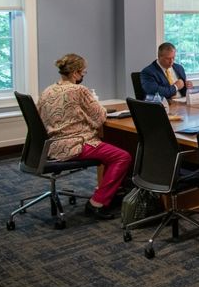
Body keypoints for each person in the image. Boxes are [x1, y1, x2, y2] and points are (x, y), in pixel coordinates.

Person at [37, 54, 132, 220]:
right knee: (122, 157)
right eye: (83, 73)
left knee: (113, 151)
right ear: (75, 73)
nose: (83, 77)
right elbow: (100, 117)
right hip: (75, 144)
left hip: (51, 146)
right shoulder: (79, 90)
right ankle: (97, 202)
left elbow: (40, 118)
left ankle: (110, 191)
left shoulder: (47, 90)